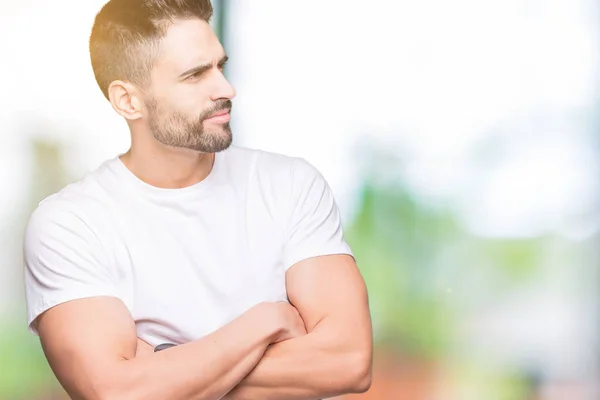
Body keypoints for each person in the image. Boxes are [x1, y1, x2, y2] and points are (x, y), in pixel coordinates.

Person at [23, 0, 373, 399]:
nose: (225, 89)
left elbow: (349, 361)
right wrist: (266, 322)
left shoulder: (290, 185)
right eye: (195, 75)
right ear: (128, 100)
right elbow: (116, 394)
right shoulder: (70, 224)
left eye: (219, 66)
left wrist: (164, 362)